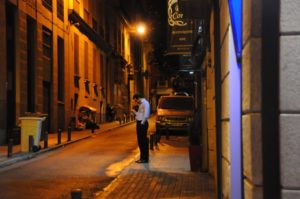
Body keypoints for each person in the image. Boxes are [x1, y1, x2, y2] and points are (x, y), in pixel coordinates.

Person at [132, 93, 150, 163]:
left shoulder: (145, 103)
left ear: (138, 98)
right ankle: (142, 158)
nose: (136, 102)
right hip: (140, 123)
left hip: (142, 123)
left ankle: (144, 158)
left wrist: (142, 123)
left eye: (136, 100)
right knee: (140, 141)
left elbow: (146, 114)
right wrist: (134, 112)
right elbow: (140, 114)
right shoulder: (141, 104)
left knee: (143, 141)